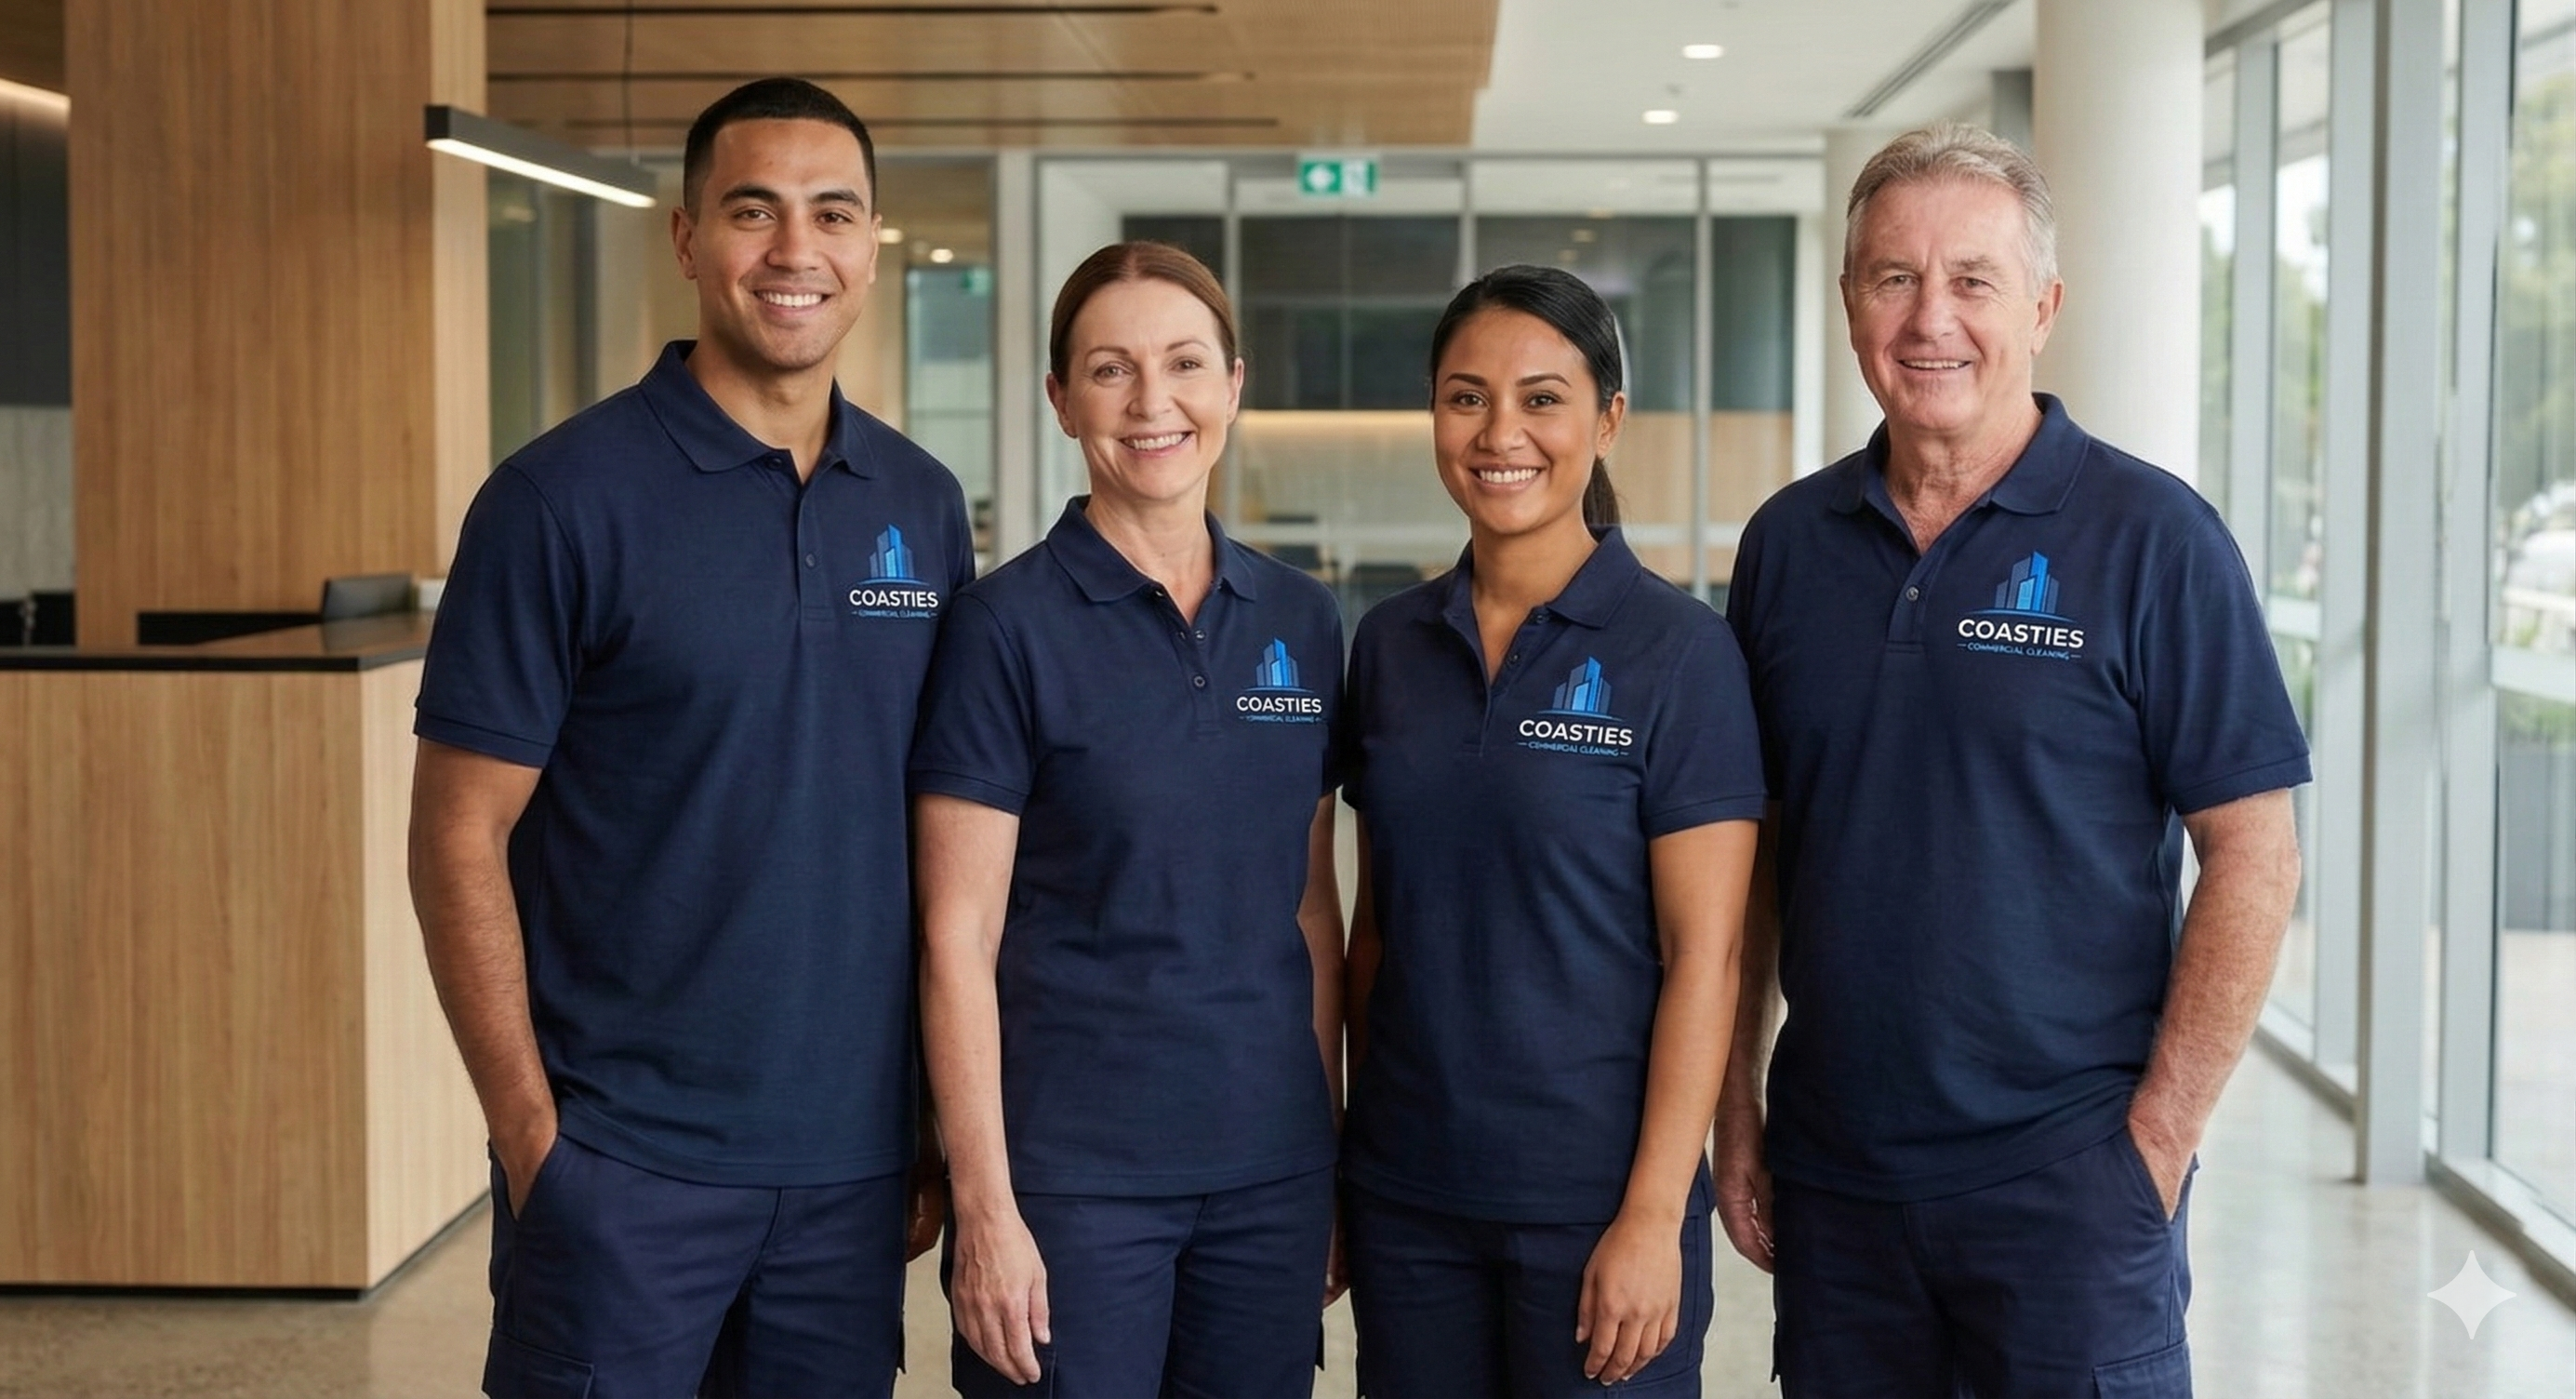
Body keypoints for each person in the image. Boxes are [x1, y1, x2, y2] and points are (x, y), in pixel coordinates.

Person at [1719, 123, 2310, 1397]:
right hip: (1839, 1181)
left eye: (1971, 280)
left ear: (2040, 307)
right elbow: (1757, 850)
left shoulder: (2154, 539)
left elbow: (2253, 850)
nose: (1930, 317)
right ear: (1847, 303)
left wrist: (2156, 1139)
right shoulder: (1785, 547)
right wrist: (1736, 1105)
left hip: (2069, 1184)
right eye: (1892, 278)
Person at [409, 77, 970, 1399]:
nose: (794, 250)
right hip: (621, 1165)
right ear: (684, 237)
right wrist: (533, 1137)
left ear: (871, 244)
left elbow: (936, 837)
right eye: (751, 210)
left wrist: (924, 1127)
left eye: (832, 214)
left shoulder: (921, 504)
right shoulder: (558, 501)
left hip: (847, 1175)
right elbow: (455, 838)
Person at [910, 241, 1346, 1399]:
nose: (1153, 403)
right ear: (1061, 400)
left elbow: (1309, 904)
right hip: (1069, 1183)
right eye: (1110, 370)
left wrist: (1326, 1156)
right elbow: (958, 935)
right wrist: (985, 1204)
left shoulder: (1302, 620)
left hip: (1268, 1174)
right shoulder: (1001, 629)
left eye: (1184, 363)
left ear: (1232, 385)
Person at [1338, 264, 1764, 1396]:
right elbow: (1376, 932)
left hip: (1595, 1208)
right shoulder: (1386, 646)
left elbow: (1706, 961)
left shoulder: (1679, 652)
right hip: (1410, 1200)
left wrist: (1650, 1216)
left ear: (1607, 419)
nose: (1500, 433)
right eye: (1466, 396)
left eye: (1542, 397)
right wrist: (1350, 1162)